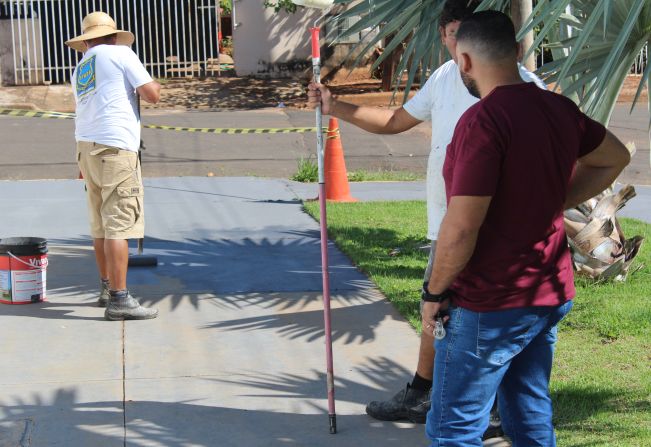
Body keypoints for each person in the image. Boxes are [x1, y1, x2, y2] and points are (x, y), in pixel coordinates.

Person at [307, 0, 543, 433]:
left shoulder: (526, 89)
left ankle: (477, 407)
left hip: (488, 231)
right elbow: (396, 120)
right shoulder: (443, 78)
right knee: (438, 312)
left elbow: (581, 158)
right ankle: (424, 391)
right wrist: (334, 106)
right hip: (447, 223)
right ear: (443, 37)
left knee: (467, 319)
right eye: (452, 36)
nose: (458, 49)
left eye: (464, 37)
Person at [421, 10, 630, 446]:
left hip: (490, 301)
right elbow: (614, 157)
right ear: (518, 52)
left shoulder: (483, 122)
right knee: (527, 409)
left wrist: (434, 292)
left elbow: (461, 228)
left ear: (463, 61)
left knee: (453, 429)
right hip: (546, 293)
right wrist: (555, 198)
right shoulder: (558, 108)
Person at [66, 12, 160, 321]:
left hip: (86, 147)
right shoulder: (121, 53)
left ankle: (107, 287)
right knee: (120, 223)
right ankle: (119, 299)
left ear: (87, 40)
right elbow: (152, 95)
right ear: (113, 36)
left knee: (101, 224)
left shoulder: (81, 66)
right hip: (115, 148)